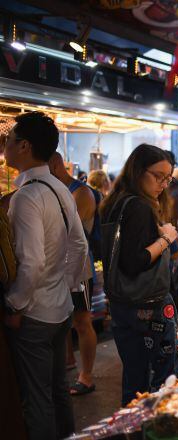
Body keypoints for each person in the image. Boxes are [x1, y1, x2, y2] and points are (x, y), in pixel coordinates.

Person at [3, 112, 89, 439]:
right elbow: (79, 245)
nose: (5, 148)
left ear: (23, 146)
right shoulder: (58, 186)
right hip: (60, 308)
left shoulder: (26, 196)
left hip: (34, 315)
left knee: (36, 399)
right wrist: (64, 285)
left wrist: (16, 304)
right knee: (57, 392)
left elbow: (32, 262)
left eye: (9, 141)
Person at [100, 144, 178, 406]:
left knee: (135, 377)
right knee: (164, 381)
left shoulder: (116, 202)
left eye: (167, 178)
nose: (162, 184)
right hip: (149, 304)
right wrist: (167, 238)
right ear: (137, 171)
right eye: (157, 176)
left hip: (123, 303)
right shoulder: (139, 207)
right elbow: (134, 261)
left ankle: (130, 429)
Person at [48, 152, 99, 396]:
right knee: (61, 320)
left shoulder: (81, 192)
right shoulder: (53, 190)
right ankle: (68, 361)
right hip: (56, 266)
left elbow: (68, 233)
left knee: (82, 321)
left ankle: (86, 376)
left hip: (80, 268)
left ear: (55, 164)